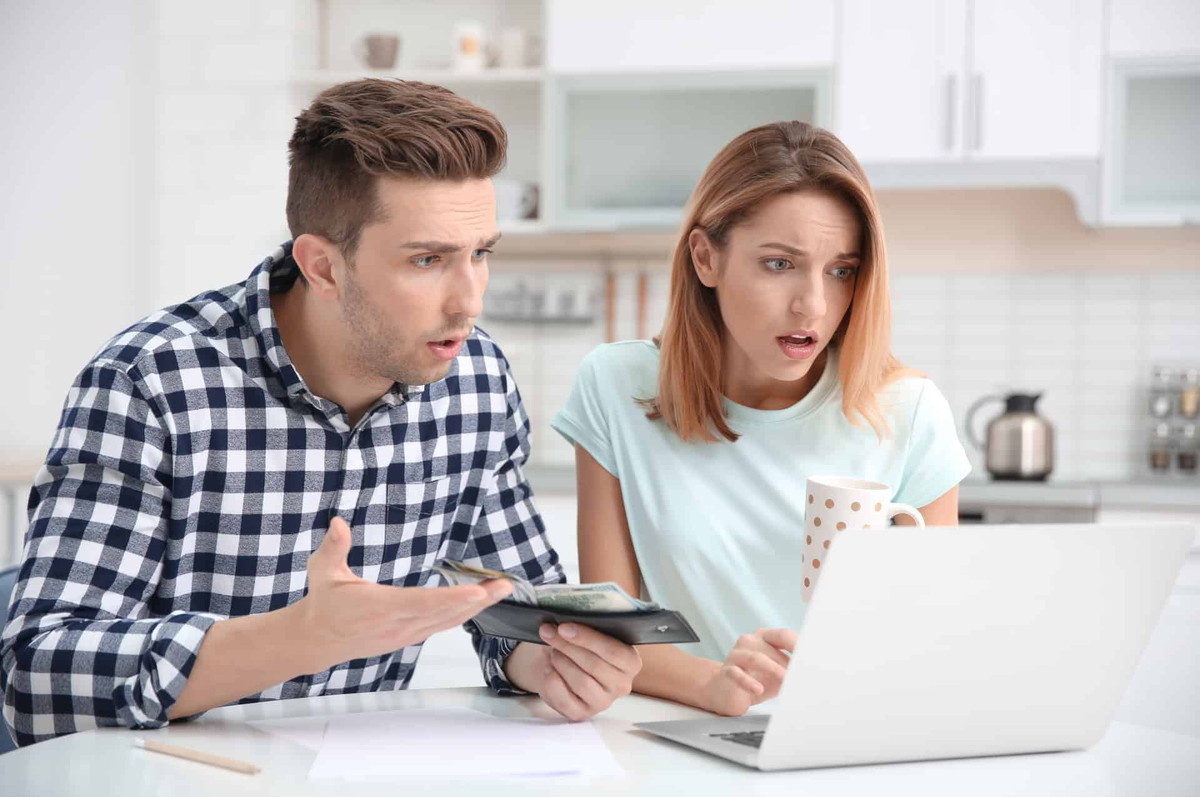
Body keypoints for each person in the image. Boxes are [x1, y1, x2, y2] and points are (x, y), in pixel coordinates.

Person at [1, 79, 640, 747]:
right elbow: (38, 676)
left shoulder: (474, 378)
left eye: (481, 253)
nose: (469, 302)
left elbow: (514, 610)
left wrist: (554, 663)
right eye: (428, 260)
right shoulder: (152, 382)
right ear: (322, 267)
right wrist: (298, 638)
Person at [552, 121, 970, 717]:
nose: (814, 305)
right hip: (685, 733)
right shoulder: (617, 389)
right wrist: (714, 683)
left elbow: (934, 638)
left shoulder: (907, 410)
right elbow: (611, 633)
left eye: (841, 270)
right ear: (705, 258)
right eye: (780, 264)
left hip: (853, 729)